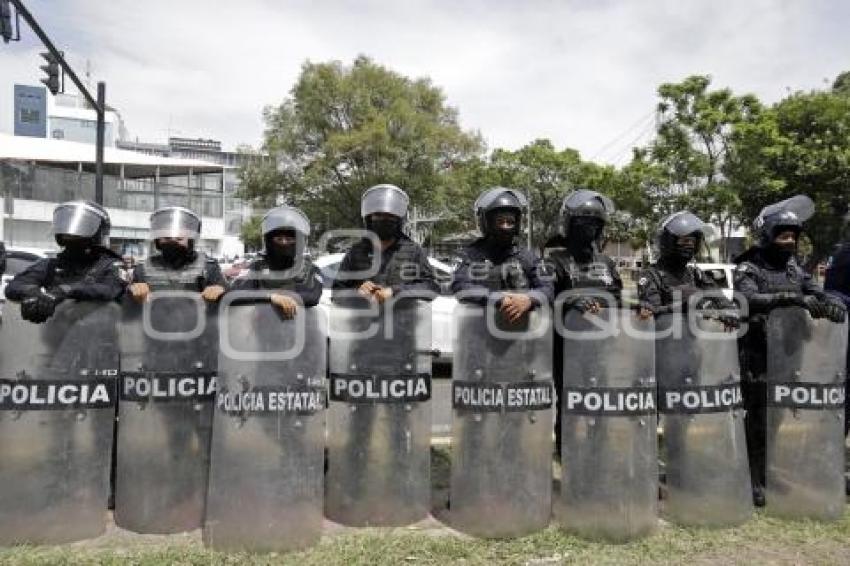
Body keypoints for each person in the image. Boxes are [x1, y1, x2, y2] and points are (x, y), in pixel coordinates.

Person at [734, 194, 846, 507]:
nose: (789, 241)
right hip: (756, 354)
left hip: (789, 353)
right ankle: (752, 478)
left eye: (794, 236)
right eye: (783, 235)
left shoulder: (796, 269)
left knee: (778, 417)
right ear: (768, 236)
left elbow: (816, 292)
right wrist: (790, 299)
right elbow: (749, 299)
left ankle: (769, 473)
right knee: (755, 418)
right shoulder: (748, 267)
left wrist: (833, 303)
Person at [542, 189, 620, 457]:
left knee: (601, 395)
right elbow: (548, 297)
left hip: (601, 345)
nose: (589, 229)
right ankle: (567, 450)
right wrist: (573, 302)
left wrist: (606, 305)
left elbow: (618, 297)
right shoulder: (555, 261)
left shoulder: (607, 263)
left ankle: (598, 446)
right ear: (569, 225)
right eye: (582, 223)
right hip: (566, 345)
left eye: (594, 223)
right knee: (568, 397)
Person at [6, 200, 125, 321]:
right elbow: (14, 286)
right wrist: (32, 293)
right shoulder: (50, 265)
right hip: (58, 337)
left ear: (99, 231)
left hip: (101, 337)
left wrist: (65, 290)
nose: (71, 234)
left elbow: (109, 289)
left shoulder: (111, 265)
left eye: (84, 225)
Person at [451, 187, 553, 320]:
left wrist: (529, 299)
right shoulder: (470, 255)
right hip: (477, 333)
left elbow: (548, 288)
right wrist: (497, 298)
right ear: (486, 222)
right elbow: (460, 285)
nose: (505, 227)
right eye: (500, 221)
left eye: (510, 222)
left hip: (521, 336)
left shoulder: (528, 257)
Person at [332, 184, 438, 298]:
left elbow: (431, 287)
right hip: (365, 315)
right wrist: (357, 290)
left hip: (403, 315)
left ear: (398, 220)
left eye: (389, 216)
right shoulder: (357, 251)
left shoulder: (413, 251)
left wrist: (395, 291)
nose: (384, 220)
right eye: (378, 215)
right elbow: (337, 291)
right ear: (369, 218)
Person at [638, 210, 737, 325]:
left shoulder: (695, 274)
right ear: (668, 242)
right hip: (664, 339)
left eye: (693, 242)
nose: (690, 245)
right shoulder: (651, 276)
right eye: (685, 240)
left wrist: (728, 310)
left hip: (694, 340)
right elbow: (652, 312)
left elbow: (717, 295)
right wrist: (687, 304)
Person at [230, 205, 323, 313]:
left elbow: (312, 296)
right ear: (268, 241)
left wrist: (278, 297)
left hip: (301, 326)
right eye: (279, 239)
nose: (284, 243)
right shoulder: (257, 267)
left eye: (289, 239)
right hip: (262, 326)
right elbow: (236, 293)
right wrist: (270, 297)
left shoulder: (309, 269)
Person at [127, 206, 226, 303]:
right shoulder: (143, 269)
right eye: (167, 238)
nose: (172, 242)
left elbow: (230, 294)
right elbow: (124, 299)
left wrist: (220, 290)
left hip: (198, 318)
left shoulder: (208, 267)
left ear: (190, 240)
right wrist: (134, 290)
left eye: (179, 239)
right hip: (154, 318)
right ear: (158, 240)